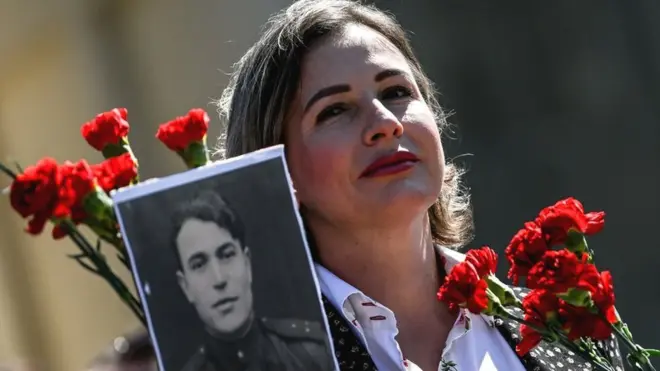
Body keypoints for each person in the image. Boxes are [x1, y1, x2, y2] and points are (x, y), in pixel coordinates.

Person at [212, 1, 626, 370]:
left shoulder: (564, 330)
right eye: (335, 110)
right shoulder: (255, 360)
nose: (386, 124)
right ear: (276, 169)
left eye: (395, 92)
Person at [170, 190, 334, 371]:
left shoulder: (311, 353)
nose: (219, 279)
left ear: (246, 263)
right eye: (199, 265)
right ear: (185, 286)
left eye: (227, 255)